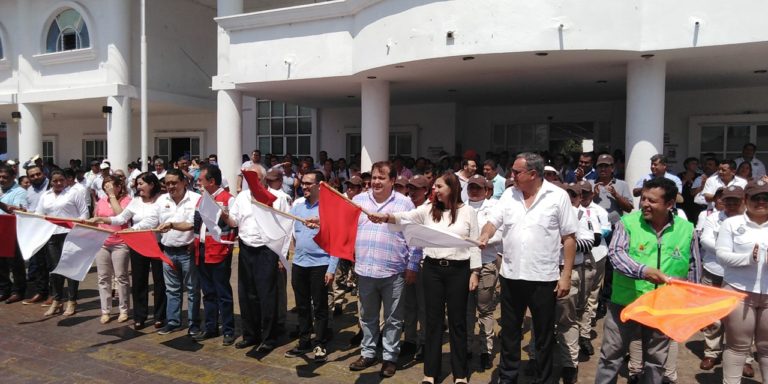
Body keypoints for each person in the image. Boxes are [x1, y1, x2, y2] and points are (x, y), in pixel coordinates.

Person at [369, 171, 479, 384]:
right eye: (434, 187)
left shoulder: (468, 212)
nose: (435, 191)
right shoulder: (428, 210)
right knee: (432, 321)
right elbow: (405, 217)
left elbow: (474, 244)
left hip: (459, 271)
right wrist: (385, 217)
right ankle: (431, 372)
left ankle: (460, 374)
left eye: (439, 187)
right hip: (432, 270)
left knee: (457, 322)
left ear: (452, 188)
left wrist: (475, 272)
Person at [478, 152, 578, 384]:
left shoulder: (558, 196)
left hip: (543, 278)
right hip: (511, 275)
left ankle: (543, 379)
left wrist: (566, 276)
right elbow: (493, 222)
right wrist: (485, 234)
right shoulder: (509, 195)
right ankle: (508, 377)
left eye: (516, 172)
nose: (510, 175)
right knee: (511, 333)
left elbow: (569, 238)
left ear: (533, 174)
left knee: (543, 335)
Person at [595, 177, 701, 384]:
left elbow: (693, 266)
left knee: (656, 360)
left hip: (663, 305)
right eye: (643, 198)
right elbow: (616, 255)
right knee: (611, 357)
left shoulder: (686, 229)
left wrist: (689, 302)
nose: (644, 204)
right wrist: (644, 271)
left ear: (670, 204)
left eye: (652, 200)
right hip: (626, 303)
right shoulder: (628, 223)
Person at [348, 161, 420, 378]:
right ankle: (368, 353)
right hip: (365, 270)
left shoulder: (405, 203)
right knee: (367, 316)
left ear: (392, 180)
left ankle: (390, 357)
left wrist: (413, 265)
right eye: (374, 178)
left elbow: (415, 237)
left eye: (382, 178)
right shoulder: (358, 200)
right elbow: (343, 225)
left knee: (393, 319)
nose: (376, 182)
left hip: (394, 271)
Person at [224, 163, 290, 354]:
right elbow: (234, 220)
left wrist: (281, 256)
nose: (249, 180)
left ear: (262, 178)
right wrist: (222, 214)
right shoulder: (243, 197)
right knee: (246, 293)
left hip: (267, 249)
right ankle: (250, 334)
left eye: (253, 176)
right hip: (246, 248)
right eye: (246, 176)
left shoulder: (278, 198)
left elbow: (286, 228)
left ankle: (269, 337)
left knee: (267, 295)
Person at [91, 172, 164, 330]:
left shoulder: (161, 199)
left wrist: (130, 230)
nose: (138, 187)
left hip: (156, 244)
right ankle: (140, 316)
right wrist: (102, 220)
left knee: (159, 281)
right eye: (137, 184)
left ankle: (160, 316)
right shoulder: (136, 201)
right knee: (139, 281)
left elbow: (151, 221)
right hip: (137, 244)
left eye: (141, 184)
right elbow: (121, 218)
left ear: (151, 184)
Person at [716, 179, 768, 383]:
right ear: (746, 200)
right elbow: (721, 255)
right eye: (756, 198)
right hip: (738, 292)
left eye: (766, 197)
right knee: (737, 346)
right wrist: (747, 259)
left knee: (766, 348)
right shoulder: (731, 223)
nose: (761, 202)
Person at [284, 170, 339, 363]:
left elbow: (336, 241)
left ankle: (320, 343)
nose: (304, 187)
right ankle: (304, 340)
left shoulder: (328, 209)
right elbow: (290, 232)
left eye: (308, 183)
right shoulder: (298, 207)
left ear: (320, 185)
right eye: (303, 183)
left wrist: (332, 268)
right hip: (299, 263)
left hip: (321, 264)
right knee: (302, 305)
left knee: (320, 306)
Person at [699, 186, 752, 376]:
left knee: (742, 318)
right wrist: (734, 251)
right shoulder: (712, 218)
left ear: (744, 201)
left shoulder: (751, 219)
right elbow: (705, 240)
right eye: (727, 200)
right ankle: (712, 352)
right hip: (714, 271)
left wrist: (729, 252)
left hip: (742, 276)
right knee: (713, 316)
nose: (730, 204)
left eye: (735, 200)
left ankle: (744, 357)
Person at [191, 165, 236, 346]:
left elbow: (233, 226)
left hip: (219, 251)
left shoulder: (228, 199)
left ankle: (228, 330)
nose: (198, 183)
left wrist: (227, 249)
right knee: (208, 293)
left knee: (223, 293)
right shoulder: (201, 199)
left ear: (211, 181)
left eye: (201, 180)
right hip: (201, 250)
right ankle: (210, 327)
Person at [155, 169, 202, 335]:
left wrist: (172, 225)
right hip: (168, 251)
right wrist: (133, 229)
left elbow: (193, 224)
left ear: (184, 182)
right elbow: (152, 221)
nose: (170, 186)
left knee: (192, 289)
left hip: (188, 251)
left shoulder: (196, 199)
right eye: (167, 183)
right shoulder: (162, 200)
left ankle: (193, 323)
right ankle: (173, 322)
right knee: (172, 289)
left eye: (174, 182)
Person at [37, 169, 89, 316]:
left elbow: (84, 213)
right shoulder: (45, 196)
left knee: (71, 268)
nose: (58, 183)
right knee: (55, 269)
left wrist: (77, 225)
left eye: (61, 180)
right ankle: (57, 300)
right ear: (50, 181)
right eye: (55, 181)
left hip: (70, 234)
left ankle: (72, 301)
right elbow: (39, 215)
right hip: (52, 235)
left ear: (66, 181)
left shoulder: (74, 193)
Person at [466, 174, 503, 371]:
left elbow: (500, 233)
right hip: (464, 264)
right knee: (466, 310)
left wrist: (484, 239)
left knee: (485, 310)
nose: (473, 191)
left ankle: (485, 350)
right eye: (471, 187)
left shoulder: (494, 208)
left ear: (486, 190)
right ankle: (467, 348)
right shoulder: (461, 206)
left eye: (478, 188)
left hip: (486, 262)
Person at [577, 180, 611, 357]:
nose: (582, 196)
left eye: (585, 193)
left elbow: (606, 229)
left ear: (592, 194)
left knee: (592, 295)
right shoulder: (571, 209)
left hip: (596, 255)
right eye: (579, 193)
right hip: (575, 258)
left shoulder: (600, 211)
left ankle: (584, 333)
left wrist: (591, 235)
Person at [92, 175, 132, 324]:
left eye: (110, 186)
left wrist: (112, 196)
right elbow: (96, 218)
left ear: (118, 187)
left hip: (119, 243)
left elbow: (121, 215)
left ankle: (123, 309)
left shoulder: (127, 200)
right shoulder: (101, 201)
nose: (107, 189)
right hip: (102, 243)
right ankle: (106, 310)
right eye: (105, 186)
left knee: (121, 277)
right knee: (103, 277)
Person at [22, 165, 50, 305]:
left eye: (38, 174)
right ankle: (41, 292)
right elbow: (29, 209)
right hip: (35, 231)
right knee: (38, 264)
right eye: (32, 176)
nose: (35, 177)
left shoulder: (51, 186)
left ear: (43, 173)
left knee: (51, 263)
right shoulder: (30, 190)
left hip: (50, 230)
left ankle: (54, 294)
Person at [0, 164, 27, 304]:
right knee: (1, 262)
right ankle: (4, 289)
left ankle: (18, 291)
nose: (1, 179)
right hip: (0, 230)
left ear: (13, 177)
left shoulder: (19, 192)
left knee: (15, 263)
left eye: (5, 177)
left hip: (12, 231)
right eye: (0, 176)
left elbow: (16, 211)